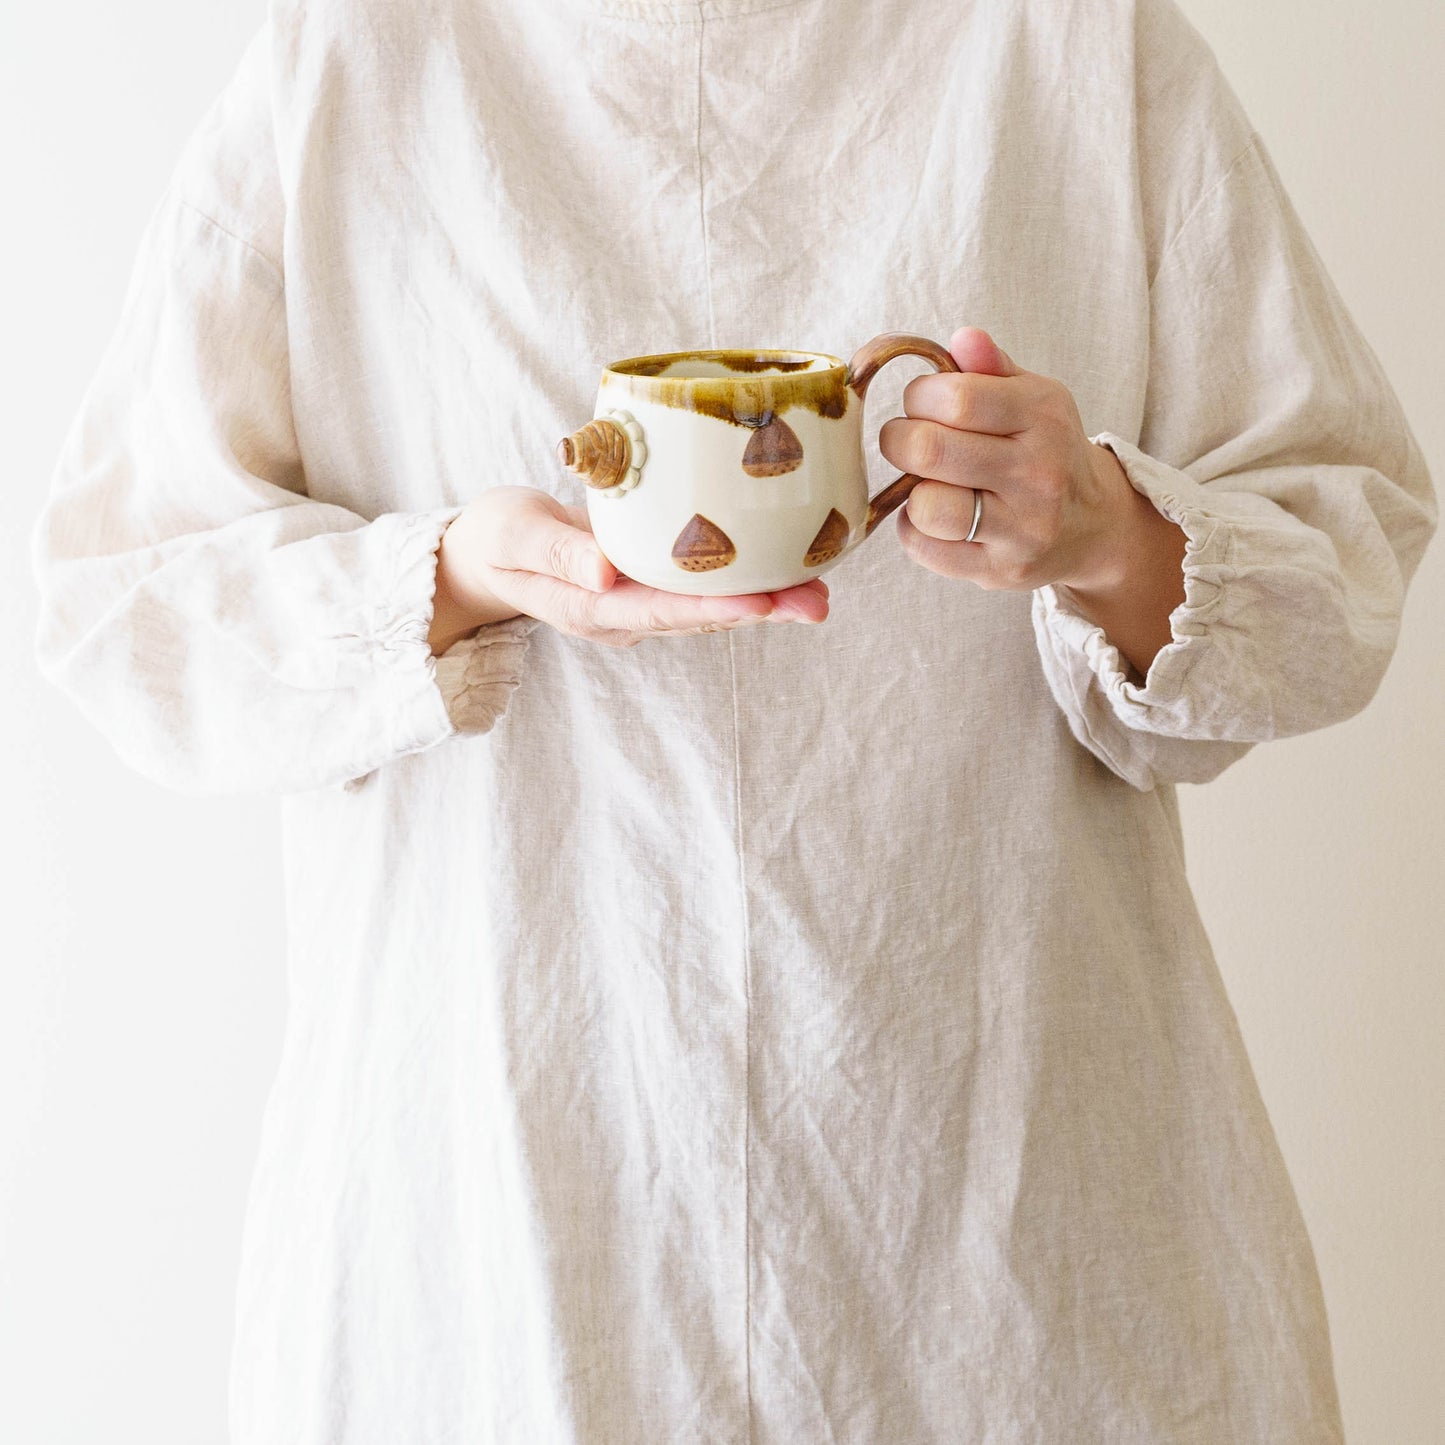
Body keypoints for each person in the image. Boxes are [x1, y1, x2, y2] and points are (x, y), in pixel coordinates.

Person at [31, 0, 1436, 1439]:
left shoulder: (1080, 46)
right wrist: (444, 578)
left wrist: (1104, 531)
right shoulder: (353, 61)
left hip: (1019, 1251)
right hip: (500, 1234)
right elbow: (123, 604)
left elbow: (1342, 549)